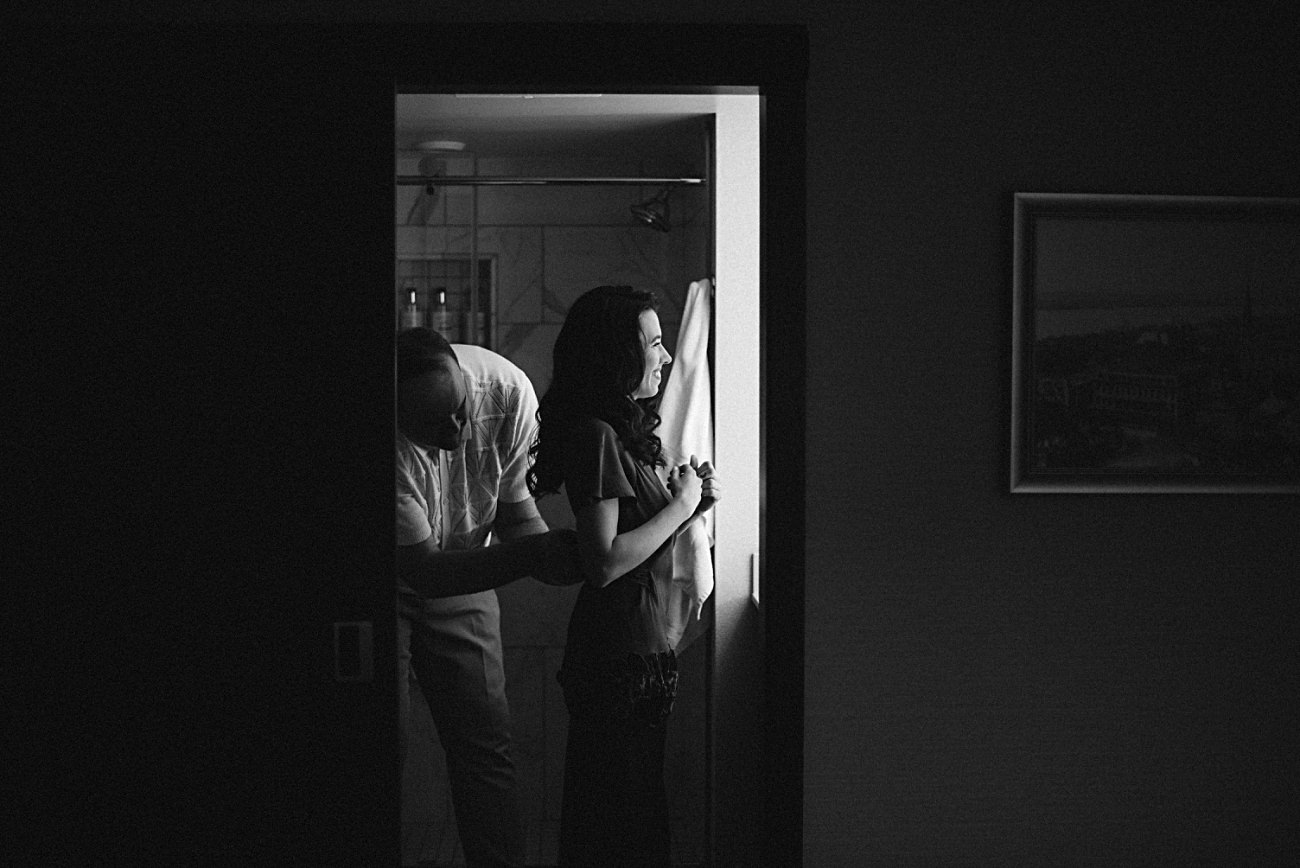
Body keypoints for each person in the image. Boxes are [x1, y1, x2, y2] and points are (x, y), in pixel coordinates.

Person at [526, 286, 721, 866]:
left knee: (627, 812)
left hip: (635, 649)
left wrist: (691, 503)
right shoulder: (596, 435)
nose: (665, 358)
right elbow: (605, 562)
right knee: (620, 820)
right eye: (655, 344)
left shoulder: (617, 435)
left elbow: (637, 545)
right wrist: (680, 508)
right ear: (616, 355)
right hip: (617, 654)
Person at [395, 327, 582, 868]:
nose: (456, 430)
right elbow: (425, 572)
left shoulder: (507, 392)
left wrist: (561, 554)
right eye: (434, 426)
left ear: (461, 373)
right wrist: (530, 558)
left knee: (486, 747)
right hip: (394, 577)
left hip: (469, 567)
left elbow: (512, 506)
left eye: (459, 410)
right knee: (386, 747)